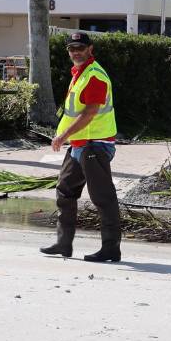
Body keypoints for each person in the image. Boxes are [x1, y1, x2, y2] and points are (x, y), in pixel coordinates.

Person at [40, 32, 122, 263]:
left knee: (102, 197)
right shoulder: (80, 73)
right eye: (71, 48)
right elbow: (73, 111)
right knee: (65, 190)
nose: (75, 51)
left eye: (80, 47)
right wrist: (64, 135)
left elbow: (90, 113)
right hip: (79, 145)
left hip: (95, 145)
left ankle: (111, 249)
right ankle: (63, 244)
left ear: (90, 49)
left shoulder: (94, 75)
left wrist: (63, 135)